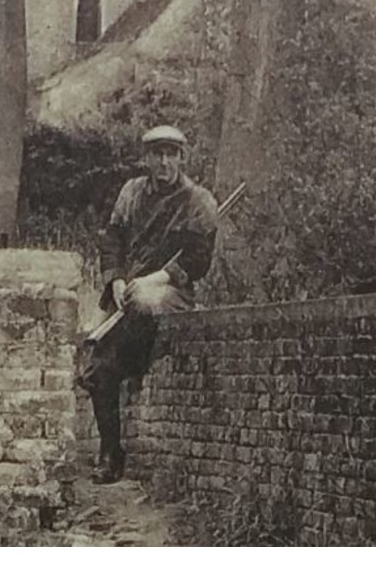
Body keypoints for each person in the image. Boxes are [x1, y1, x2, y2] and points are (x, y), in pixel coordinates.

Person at [77, 124, 219, 484]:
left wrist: (154, 280)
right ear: (147, 158)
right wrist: (118, 279)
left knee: (138, 311)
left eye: (171, 154)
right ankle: (111, 452)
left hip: (169, 291)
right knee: (96, 370)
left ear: (182, 157)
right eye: (157, 154)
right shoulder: (131, 194)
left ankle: (129, 362)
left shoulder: (197, 201)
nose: (164, 162)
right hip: (128, 290)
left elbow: (197, 261)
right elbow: (113, 242)